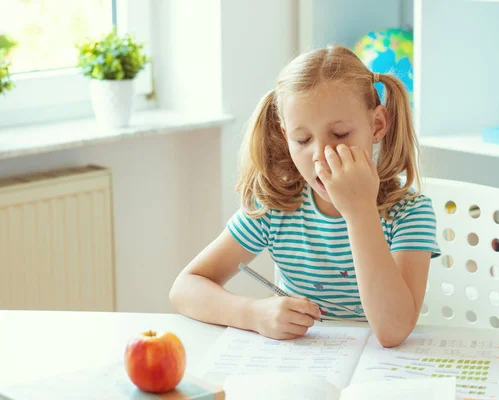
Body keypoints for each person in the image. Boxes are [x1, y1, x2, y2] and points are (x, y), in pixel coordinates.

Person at [169, 45, 440, 348]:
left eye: (339, 135)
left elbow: (393, 331)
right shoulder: (276, 206)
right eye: (303, 139)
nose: (320, 155)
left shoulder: (409, 212)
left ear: (376, 125)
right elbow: (185, 288)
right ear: (286, 137)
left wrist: (360, 211)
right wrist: (253, 313)